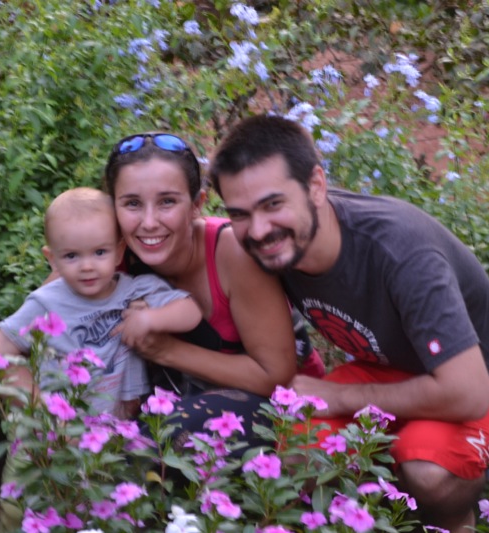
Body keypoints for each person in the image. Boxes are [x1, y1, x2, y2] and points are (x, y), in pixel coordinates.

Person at [207, 114, 489, 533]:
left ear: (316, 185)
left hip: (482, 380)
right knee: (295, 449)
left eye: (273, 204)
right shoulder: (271, 244)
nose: (258, 230)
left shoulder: (401, 251)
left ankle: (457, 523)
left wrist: (343, 398)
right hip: (387, 369)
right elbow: (194, 244)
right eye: (239, 214)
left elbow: (468, 394)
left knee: (427, 473)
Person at [0, 187, 202, 532]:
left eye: (99, 252)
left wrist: (151, 319)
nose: (87, 266)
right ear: (51, 258)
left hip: (110, 434)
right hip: (47, 434)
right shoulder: (46, 302)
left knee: (101, 510)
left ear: (119, 251)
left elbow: (190, 312)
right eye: (71, 256)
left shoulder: (136, 289)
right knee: (20, 506)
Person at [102, 132, 324, 451]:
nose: (149, 222)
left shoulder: (232, 253)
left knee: (156, 444)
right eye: (132, 204)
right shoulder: (103, 253)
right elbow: (40, 325)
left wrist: (164, 350)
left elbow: (275, 376)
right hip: (170, 400)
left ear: (197, 205)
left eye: (167, 202)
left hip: (272, 407)